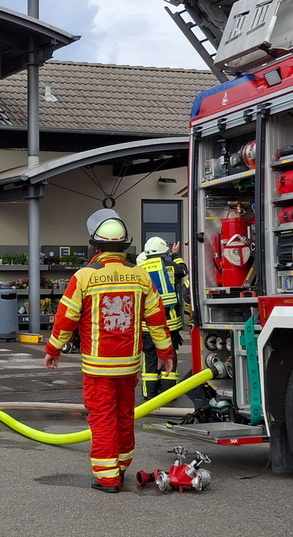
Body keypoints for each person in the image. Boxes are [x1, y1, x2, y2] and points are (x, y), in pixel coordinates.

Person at [44, 210, 174, 493]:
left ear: (96, 245)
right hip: (129, 367)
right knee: (125, 415)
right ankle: (122, 465)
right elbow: (157, 319)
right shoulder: (140, 276)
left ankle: (107, 477)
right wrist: (165, 353)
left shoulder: (84, 277)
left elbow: (66, 318)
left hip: (98, 368)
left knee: (102, 418)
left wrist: (54, 349)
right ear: (125, 244)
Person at [138, 236, 187, 399]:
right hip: (170, 324)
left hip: (148, 325)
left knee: (150, 358)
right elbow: (184, 270)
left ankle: (149, 394)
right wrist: (175, 254)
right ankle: (168, 394)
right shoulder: (171, 267)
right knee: (170, 356)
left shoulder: (140, 269)